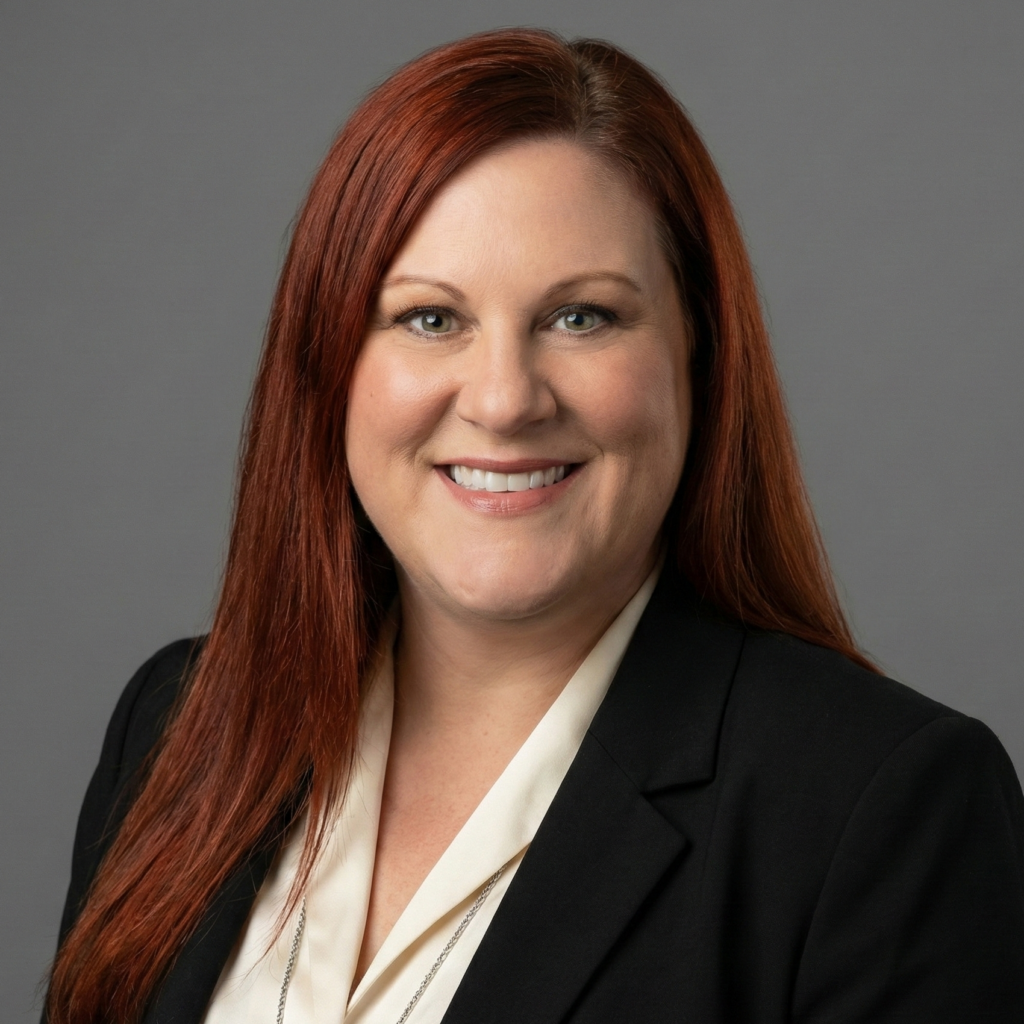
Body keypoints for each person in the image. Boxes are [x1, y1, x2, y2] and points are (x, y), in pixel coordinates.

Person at [44, 28, 1024, 1024]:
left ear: (698, 353)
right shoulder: (177, 727)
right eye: (430, 318)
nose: (505, 400)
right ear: (329, 365)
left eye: (581, 316)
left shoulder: (877, 808)